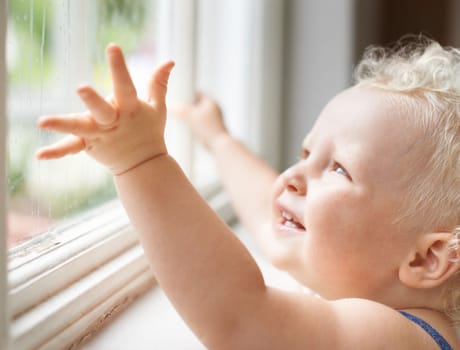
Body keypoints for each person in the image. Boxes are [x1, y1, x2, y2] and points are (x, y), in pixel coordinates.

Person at [36, 35, 460, 349]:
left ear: (424, 258)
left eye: (337, 169)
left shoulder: (402, 339)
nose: (292, 175)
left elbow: (241, 318)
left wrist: (140, 161)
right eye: (306, 151)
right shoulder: (363, 283)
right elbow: (266, 209)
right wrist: (219, 140)